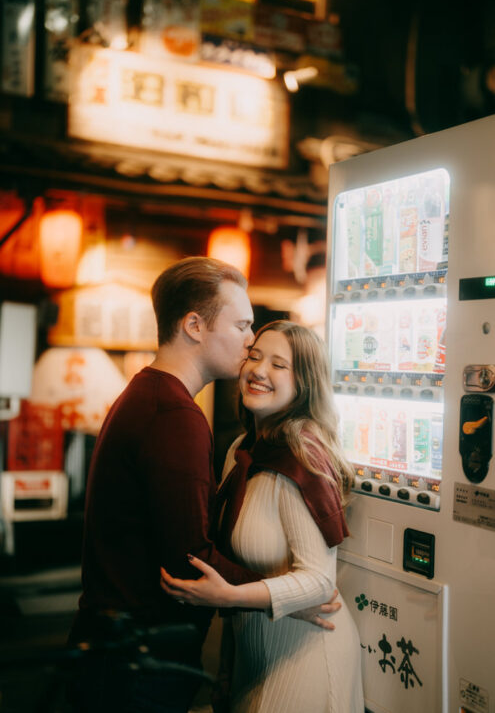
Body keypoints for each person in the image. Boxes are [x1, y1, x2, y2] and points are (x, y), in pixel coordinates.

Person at [68, 259, 340, 713]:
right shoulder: (175, 416)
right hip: (138, 656)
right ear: (194, 325)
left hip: (117, 646)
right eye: (241, 324)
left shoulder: (147, 394)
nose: (250, 340)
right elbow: (189, 558)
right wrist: (284, 598)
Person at [161, 320, 365, 713]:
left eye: (278, 364)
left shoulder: (301, 457)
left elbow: (320, 581)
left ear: (304, 382)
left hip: (306, 659)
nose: (258, 371)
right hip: (253, 664)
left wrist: (229, 596)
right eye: (254, 356)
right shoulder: (242, 449)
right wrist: (226, 670)